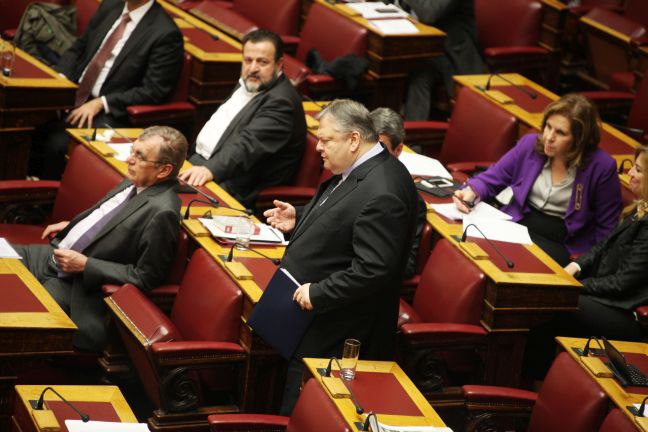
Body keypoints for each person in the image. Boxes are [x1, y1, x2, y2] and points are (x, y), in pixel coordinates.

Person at [264, 100, 419, 414]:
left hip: (338, 332)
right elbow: (345, 214)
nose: (318, 147)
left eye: (325, 140)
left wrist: (319, 293)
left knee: (305, 414)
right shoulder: (362, 167)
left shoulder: (384, 190)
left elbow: (374, 269)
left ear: (353, 139)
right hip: (312, 321)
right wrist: (301, 218)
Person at [14, 126, 188, 352]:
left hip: (76, 285)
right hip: (52, 255)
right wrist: (74, 225)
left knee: (17, 313)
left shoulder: (163, 212)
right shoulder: (135, 180)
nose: (129, 159)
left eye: (140, 156)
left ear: (164, 170)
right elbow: (107, 218)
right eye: (133, 151)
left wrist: (86, 265)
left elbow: (146, 277)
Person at [453, 94, 622, 266]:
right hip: (517, 223)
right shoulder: (530, 145)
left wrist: (586, 265)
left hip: (562, 242)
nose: (549, 137)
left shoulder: (602, 167)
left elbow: (606, 229)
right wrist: (471, 191)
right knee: (470, 249)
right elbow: (492, 178)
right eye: (548, 127)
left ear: (579, 139)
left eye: (560, 133)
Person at [29, 0, 184, 180]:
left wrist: (102, 102)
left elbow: (154, 91)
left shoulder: (165, 33)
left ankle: (43, 193)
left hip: (110, 111)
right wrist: (61, 79)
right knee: (25, 119)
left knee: (57, 143)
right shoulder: (111, 6)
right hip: (73, 91)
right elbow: (80, 46)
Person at [179, 29, 306, 209]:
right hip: (203, 164)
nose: (252, 68)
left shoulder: (282, 103)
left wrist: (210, 169)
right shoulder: (252, 83)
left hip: (233, 186)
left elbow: (247, 145)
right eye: (248, 60)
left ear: (279, 65)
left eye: (262, 62)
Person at [561, 146, 648, 341]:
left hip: (624, 311)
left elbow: (622, 284)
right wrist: (575, 267)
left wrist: (577, 285)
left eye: (638, 170)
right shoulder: (640, 208)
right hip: (604, 294)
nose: (630, 173)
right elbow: (604, 245)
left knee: (557, 302)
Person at [402, 0, 485, 120]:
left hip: (454, 51)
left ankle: (414, 130)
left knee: (416, 71)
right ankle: (400, 126)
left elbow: (429, 13)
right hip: (429, 45)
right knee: (405, 69)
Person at [369, 107, 426, 279]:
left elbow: (406, 265)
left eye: (380, 148)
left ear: (398, 149)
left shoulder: (403, 199)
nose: (370, 156)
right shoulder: (351, 173)